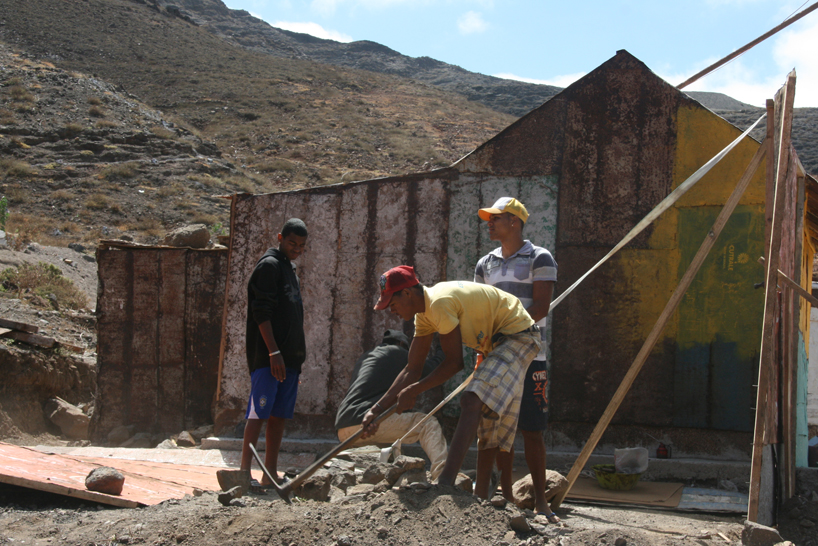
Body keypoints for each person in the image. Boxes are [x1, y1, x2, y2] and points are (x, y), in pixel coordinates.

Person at [362, 266, 541, 500]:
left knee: (472, 399)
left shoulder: (438, 302)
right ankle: (483, 500)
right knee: (488, 422)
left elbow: (454, 363)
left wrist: (414, 390)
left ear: (407, 293)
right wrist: (376, 410)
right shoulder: (424, 315)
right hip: (496, 346)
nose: (391, 310)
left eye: (391, 302)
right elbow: (412, 369)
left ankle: (445, 482)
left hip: (518, 335)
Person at [474, 197, 560, 523]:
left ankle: (541, 502)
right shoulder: (485, 264)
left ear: (515, 222)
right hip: (494, 356)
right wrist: (483, 344)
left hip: (529, 356)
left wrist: (501, 333)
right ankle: (506, 496)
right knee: (498, 428)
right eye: (489, 218)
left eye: (496, 218)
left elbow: (539, 308)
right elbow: (480, 308)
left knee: (531, 429)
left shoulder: (540, 258)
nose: (489, 223)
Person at [222, 218, 309, 491]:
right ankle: (243, 472)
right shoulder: (269, 266)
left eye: (301, 246)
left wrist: (291, 356)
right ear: (280, 237)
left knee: (278, 415)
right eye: (292, 243)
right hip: (269, 358)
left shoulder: (289, 269)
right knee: (259, 412)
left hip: (289, 360)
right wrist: (274, 351)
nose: (296, 249)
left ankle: (269, 472)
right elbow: (261, 313)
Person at [335, 329, 448, 479]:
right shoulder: (398, 353)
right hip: (367, 422)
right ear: (402, 344)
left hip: (344, 428)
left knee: (387, 447)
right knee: (428, 423)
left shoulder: (366, 357)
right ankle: (443, 475)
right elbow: (432, 368)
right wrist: (444, 346)